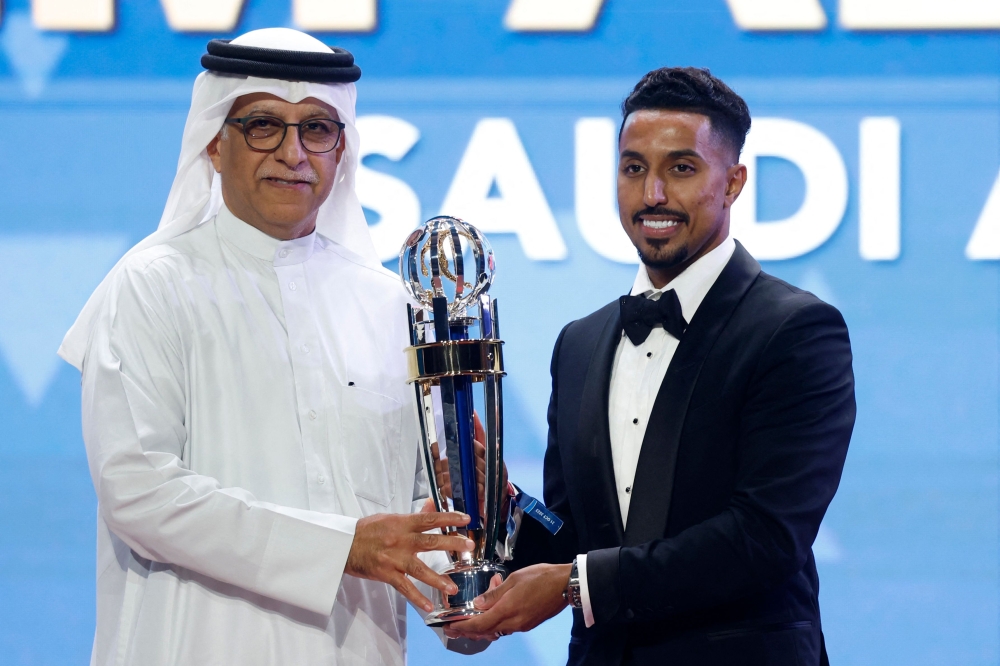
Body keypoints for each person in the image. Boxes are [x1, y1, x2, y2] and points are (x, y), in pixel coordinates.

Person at [58, 28, 484, 666]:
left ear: (343, 151)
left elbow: (413, 518)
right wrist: (340, 548)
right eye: (263, 126)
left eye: (317, 129)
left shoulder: (390, 305)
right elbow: (138, 491)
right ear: (214, 142)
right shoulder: (150, 285)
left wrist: (463, 600)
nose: (293, 153)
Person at [444, 67, 856, 665]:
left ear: (733, 182)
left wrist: (574, 584)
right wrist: (498, 499)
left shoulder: (795, 330)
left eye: (681, 169)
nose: (652, 194)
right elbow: (573, 539)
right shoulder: (580, 343)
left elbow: (764, 538)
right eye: (634, 168)